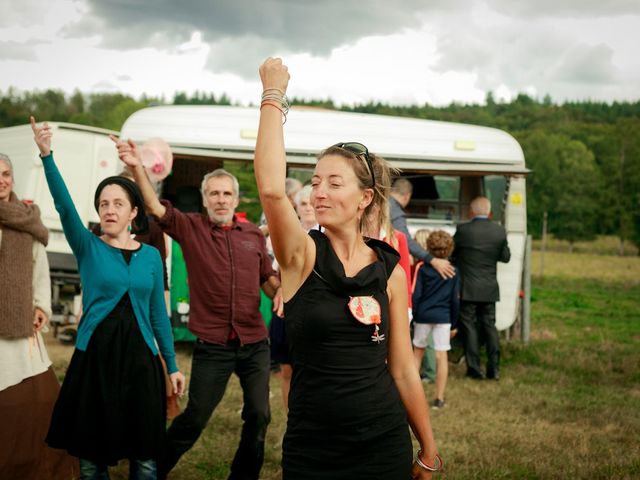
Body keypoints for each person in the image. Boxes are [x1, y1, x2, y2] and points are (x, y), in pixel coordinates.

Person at [255, 57, 441, 480]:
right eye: (316, 181)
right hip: (314, 447)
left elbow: (402, 369)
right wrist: (273, 96)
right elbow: (270, 188)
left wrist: (427, 446)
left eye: (334, 183)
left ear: (365, 199)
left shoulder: (389, 269)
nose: (319, 191)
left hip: (383, 442)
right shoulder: (301, 257)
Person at [112, 136, 282, 480]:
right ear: (204, 199)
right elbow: (156, 208)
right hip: (214, 346)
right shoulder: (190, 228)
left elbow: (268, 280)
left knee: (260, 415)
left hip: (254, 344)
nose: (221, 199)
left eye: (227, 193)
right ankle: (150, 472)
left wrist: (283, 292)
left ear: (236, 199)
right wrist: (137, 168)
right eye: (214, 193)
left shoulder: (252, 235)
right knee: (196, 416)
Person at [30, 117, 185, 479]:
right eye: (103, 204)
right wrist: (47, 155)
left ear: (134, 213)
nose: (109, 210)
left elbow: (158, 316)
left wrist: (173, 365)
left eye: (118, 203)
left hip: (141, 362)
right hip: (95, 358)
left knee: (145, 452)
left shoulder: (150, 256)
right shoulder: (88, 247)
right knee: (90, 452)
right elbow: (65, 207)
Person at [0, 152, 78, 479]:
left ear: (13, 178)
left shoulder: (27, 218)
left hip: (19, 324)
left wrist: (41, 306)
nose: (0, 181)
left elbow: (40, 268)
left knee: (40, 401)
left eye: (5, 173)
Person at [91, 166, 181, 420]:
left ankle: (167, 401)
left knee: (154, 352)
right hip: (112, 305)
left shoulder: (152, 228)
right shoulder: (102, 230)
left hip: (147, 296)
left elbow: (160, 267)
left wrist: (163, 300)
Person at [452, 196, 510, 380]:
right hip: (489, 288)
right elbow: (506, 257)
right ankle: (494, 369)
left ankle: (474, 368)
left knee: (469, 327)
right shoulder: (499, 231)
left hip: (467, 288)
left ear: (471, 212)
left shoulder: (462, 231)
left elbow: (452, 255)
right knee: (489, 326)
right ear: (489, 212)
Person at [270, 184, 316, 412]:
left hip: (313, 312)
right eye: (303, 204)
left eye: (311, 203)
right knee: (286, 369)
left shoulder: (328, 235)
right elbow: (275, 271)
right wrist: (280, 287)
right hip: (287, 309)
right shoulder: (286, 234)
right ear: (296, 208)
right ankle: (291, 421)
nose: (308, 208)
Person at [412, 230, 459, 409]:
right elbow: (455, 299)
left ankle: (412, 397)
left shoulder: (423, 268)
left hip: (423, 315)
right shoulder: (454, 271)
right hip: (444, 317)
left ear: (429, 247)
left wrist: (415, 316)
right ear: (450, 249)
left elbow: (417, 295)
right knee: (441, 356)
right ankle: (439, 399)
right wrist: (454, 323)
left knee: (417, 354)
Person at [389, 177, 455, 280]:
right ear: (407, 196)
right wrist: (432, 259)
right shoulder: (396, 213)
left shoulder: (381, 202)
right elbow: (406, 241)